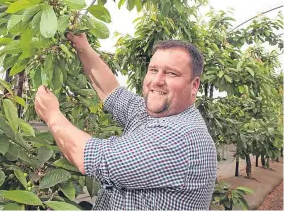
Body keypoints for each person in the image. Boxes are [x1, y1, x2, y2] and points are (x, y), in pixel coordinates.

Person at [35, 33, 217, 210]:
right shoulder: (154, 113)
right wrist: (83, 48)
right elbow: (112, 93)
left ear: (194, 85)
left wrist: (52, 115)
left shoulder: (180, 137)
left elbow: (91, 157)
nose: (157, 80)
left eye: (171, 73)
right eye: (153, 70)